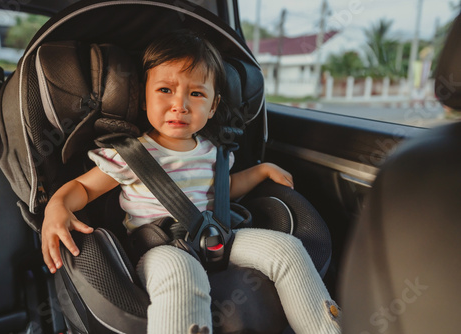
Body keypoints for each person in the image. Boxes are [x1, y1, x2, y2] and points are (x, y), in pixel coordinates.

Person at [41, 31, 341, 334]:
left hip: (219, 239)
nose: (180, 104)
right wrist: (58, 207)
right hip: (159, 248)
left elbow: (224, 190)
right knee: (181, 271)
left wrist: (261, 171)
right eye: (165, 90)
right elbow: (84, 188)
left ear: (213, 106)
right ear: (144, 97)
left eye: (196, 94)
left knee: (287, 249)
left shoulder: (214, 152)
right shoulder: (131, 155)